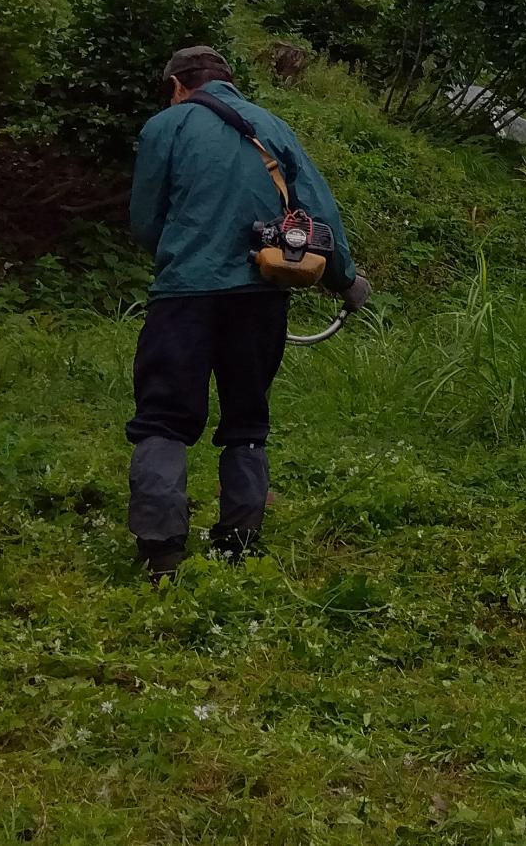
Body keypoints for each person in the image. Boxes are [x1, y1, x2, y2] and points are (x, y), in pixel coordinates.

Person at [125, 46, 371, 581]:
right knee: (246, 419)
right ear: (229, 83)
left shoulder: (166, 126)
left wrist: (182, 252)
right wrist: (345, 280)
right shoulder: (272, 125)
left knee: (164, 417)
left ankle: (161, 551)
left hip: (183, 296)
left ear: (176, 85)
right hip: (260, 298)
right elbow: (320, 213)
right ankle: (238, 541)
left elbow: (145, 220)